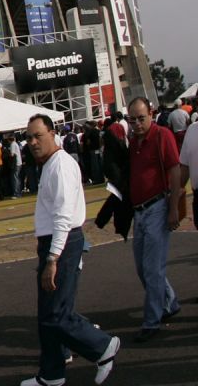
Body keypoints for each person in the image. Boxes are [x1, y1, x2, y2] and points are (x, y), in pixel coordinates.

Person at [20, 114, 120, 386]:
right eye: (29, 137)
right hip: (55, 242)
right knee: (47, 314)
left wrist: (52, 258)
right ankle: (51, 374)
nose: (32, 142)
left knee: (56, 313)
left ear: (53, 134)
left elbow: (64, 216)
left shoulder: (61, 165)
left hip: (62, 242)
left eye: (38, 136)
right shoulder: (51, 164)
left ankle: (101, 346)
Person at [123, 97, 182, 342]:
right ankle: (168, 302)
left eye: (141, 118)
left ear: (151, 114)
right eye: (132, 119)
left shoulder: (162, 135)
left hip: (158, 205)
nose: (136, 123)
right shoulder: (134, 142)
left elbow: (175, 169)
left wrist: (173, 208)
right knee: (143, 267)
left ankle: (152, 320)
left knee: (152, 268)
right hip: (140, 210)